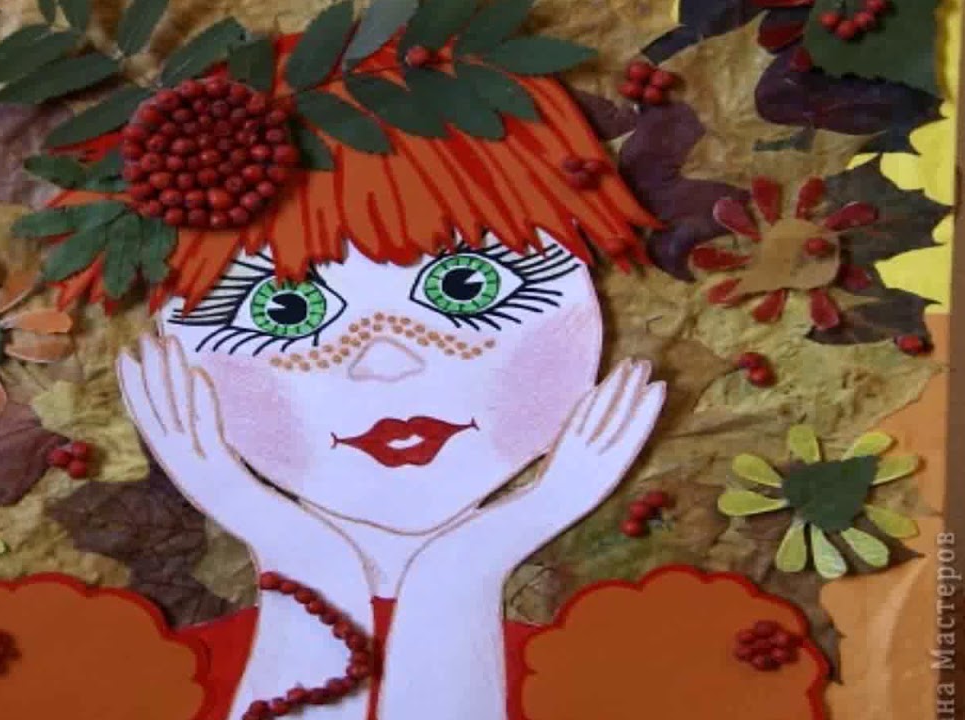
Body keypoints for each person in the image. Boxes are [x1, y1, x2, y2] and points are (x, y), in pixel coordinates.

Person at [117, 37, 666, 720]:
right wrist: (294, 549)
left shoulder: (647, 668)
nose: (386, 361)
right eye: (284, 309)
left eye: (465, 284)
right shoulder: (117, 674)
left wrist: (470, 566)